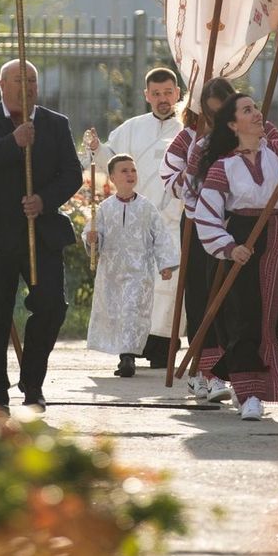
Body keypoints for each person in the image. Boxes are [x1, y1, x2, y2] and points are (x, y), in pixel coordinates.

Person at [192, 91, 278, 420]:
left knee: (274, 317)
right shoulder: (223, 167)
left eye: (255, 107)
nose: (257, 113)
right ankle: (250, 393)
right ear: (233, 124)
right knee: (245, 316)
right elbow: (206, 215)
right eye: (247, 110)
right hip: (244, 241)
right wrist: (229, 247)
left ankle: (235, 373)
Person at [0, 60, 82, 417]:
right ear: (1, 84)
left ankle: (32, 381)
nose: (26, 87)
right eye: (18, 80)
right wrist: (13, 142)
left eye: (31, 81)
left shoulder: (56, 124)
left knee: (52, 306)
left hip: (39, 231)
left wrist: (44, 200)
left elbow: (72, 173)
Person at [83, 67, 184, 368]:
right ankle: (130, 348)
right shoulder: (132, 128)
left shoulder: (187, 129)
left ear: (177, 94)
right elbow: (110, 161)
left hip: (172, 221)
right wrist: (97, 148)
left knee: (168, 288)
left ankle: (162, 347)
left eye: (168, 93)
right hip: (134, 224)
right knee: (133, 288)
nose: (163, 99)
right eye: (156, 94)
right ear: (146, 96)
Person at [161, 76, 246, 402]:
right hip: (198, 224)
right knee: (199, 296)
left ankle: (232, 372)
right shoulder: (187, 138)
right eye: (210, 114)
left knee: (234, 300)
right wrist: (192, 171)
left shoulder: (247, 134)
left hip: (236, 225)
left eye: (222, 112)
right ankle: (202, 372)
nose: (216, 120)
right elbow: (169, 179)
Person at [85, 154, 181, 377]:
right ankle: (124, 355)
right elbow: (93, 234)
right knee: (117, 313)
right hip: (111, 273)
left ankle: (127, 358)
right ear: (112, 177)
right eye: (124, 171)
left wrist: (165, 264)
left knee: (132, 311)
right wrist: (92, 238)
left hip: (139, 272)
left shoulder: (147, 208)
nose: (130, 174)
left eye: (133, 170)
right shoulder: (104, 208)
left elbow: (161, 236)